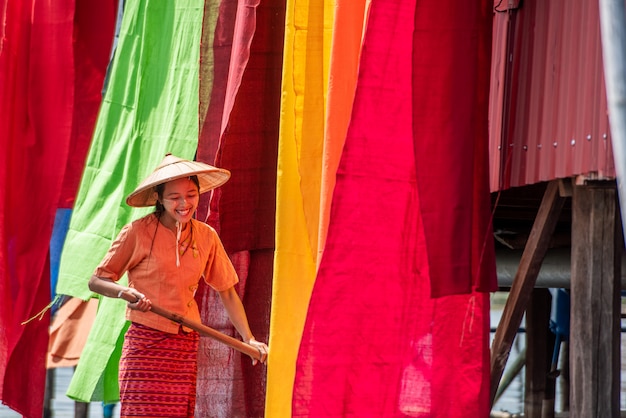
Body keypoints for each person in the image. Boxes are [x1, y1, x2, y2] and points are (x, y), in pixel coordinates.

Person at [88, 153, 268, 418]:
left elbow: (227, 291)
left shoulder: (206, 236)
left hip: (183, 346)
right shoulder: (137, 232)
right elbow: (97, 280)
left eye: (191, 195)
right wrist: (125, 292)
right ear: (159, 199)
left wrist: (249, 338)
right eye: (174, 197)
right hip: (145, 343)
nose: (184, 203)